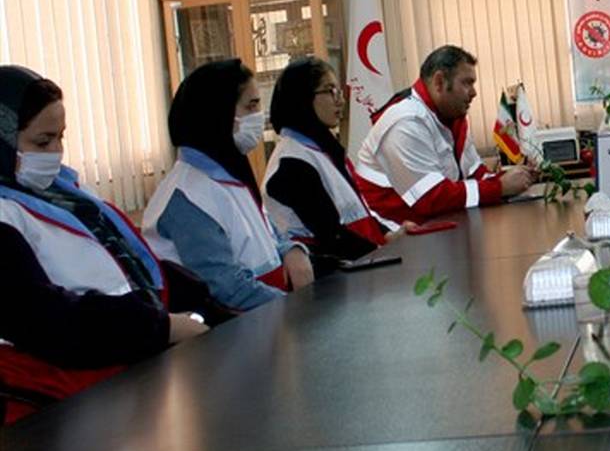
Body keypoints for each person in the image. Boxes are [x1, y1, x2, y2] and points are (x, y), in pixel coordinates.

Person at [0, 66, 213, 423]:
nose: (56, 153)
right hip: (61, 412)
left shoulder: (64, 194)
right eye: (42, 142)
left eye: (61, 138)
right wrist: (161, 327)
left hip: (129, 380)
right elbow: (45, 319)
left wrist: (199, 301)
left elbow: (125, 263)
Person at [142, 60, 314, 310]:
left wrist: (290, 249)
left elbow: (264, 230)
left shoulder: (229, 175)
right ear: (218, 114)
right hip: (245, 325)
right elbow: (226, 287)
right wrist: (300, 310)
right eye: (251, 106)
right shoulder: (186, 197)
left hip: (272, 315)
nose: (259, 116)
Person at [355, 45, 535, 224]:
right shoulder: (405, 121)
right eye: (467, 83)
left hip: (434, 224)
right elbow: (431, 198)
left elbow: (476, 175)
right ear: (439, 82)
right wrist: (500, 187)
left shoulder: (451, 118)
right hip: (391, 232)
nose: (474, 93)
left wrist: (516, 178)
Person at [264, 57, 404, 272]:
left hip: (360, 265)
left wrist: (389, 235)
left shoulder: (323, 149)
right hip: (330, 276)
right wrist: (381, 253)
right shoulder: (292, 162)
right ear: (303, 98)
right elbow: (330, 235)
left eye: (339, 91)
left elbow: (357, 211)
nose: (340, 101)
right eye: (330, 91)